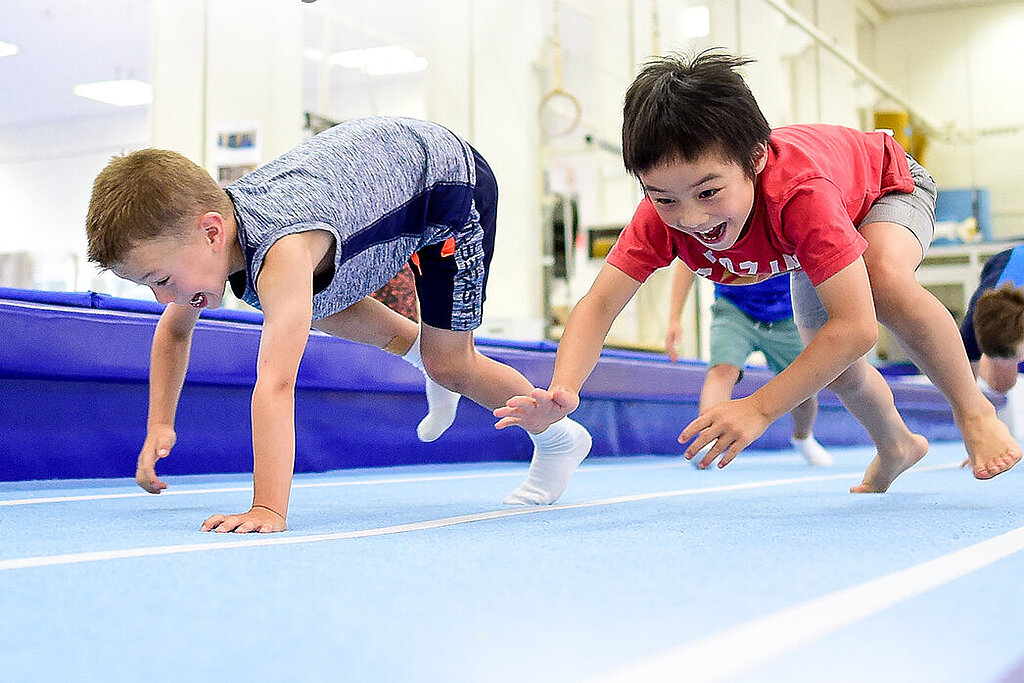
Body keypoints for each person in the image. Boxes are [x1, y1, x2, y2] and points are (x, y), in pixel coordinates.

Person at [495, 50, 1020, 494]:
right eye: (665, 199)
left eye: (708, 192)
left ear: (756, 158)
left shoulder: (798, 194)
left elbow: (860, 327)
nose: (692, 218)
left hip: (883, 187)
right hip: (810, 239)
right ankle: (897, 446)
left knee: (879, 280)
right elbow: (600, 304)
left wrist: (760, 408)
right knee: (832, 364)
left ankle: (974, 411)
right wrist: (564, 390)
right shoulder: (662, 216)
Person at [85, 116, 592, 532]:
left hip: (447, 186)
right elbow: (174, 331)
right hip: (380, 185)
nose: (165, 297)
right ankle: (425, 359)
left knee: (450, 362)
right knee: (302, 306)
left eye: (161, 280)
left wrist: (268, 508)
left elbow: (276, 383)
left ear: (212, 231)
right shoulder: (216, 241)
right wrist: (159, 423)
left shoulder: (280, 253)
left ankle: (558, 436)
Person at [665, 261, 831, 466]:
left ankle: (803, 438)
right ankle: (709, 440)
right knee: (722, 370)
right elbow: (688, 263)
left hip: (787, 313)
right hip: (733, 306)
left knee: (804, 388)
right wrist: (674, 318)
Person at [961, 244, 1024, 394]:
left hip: (1009, 260)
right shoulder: (972, 329)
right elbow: (964, 392)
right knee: (1001, 384)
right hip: (1000, 266)